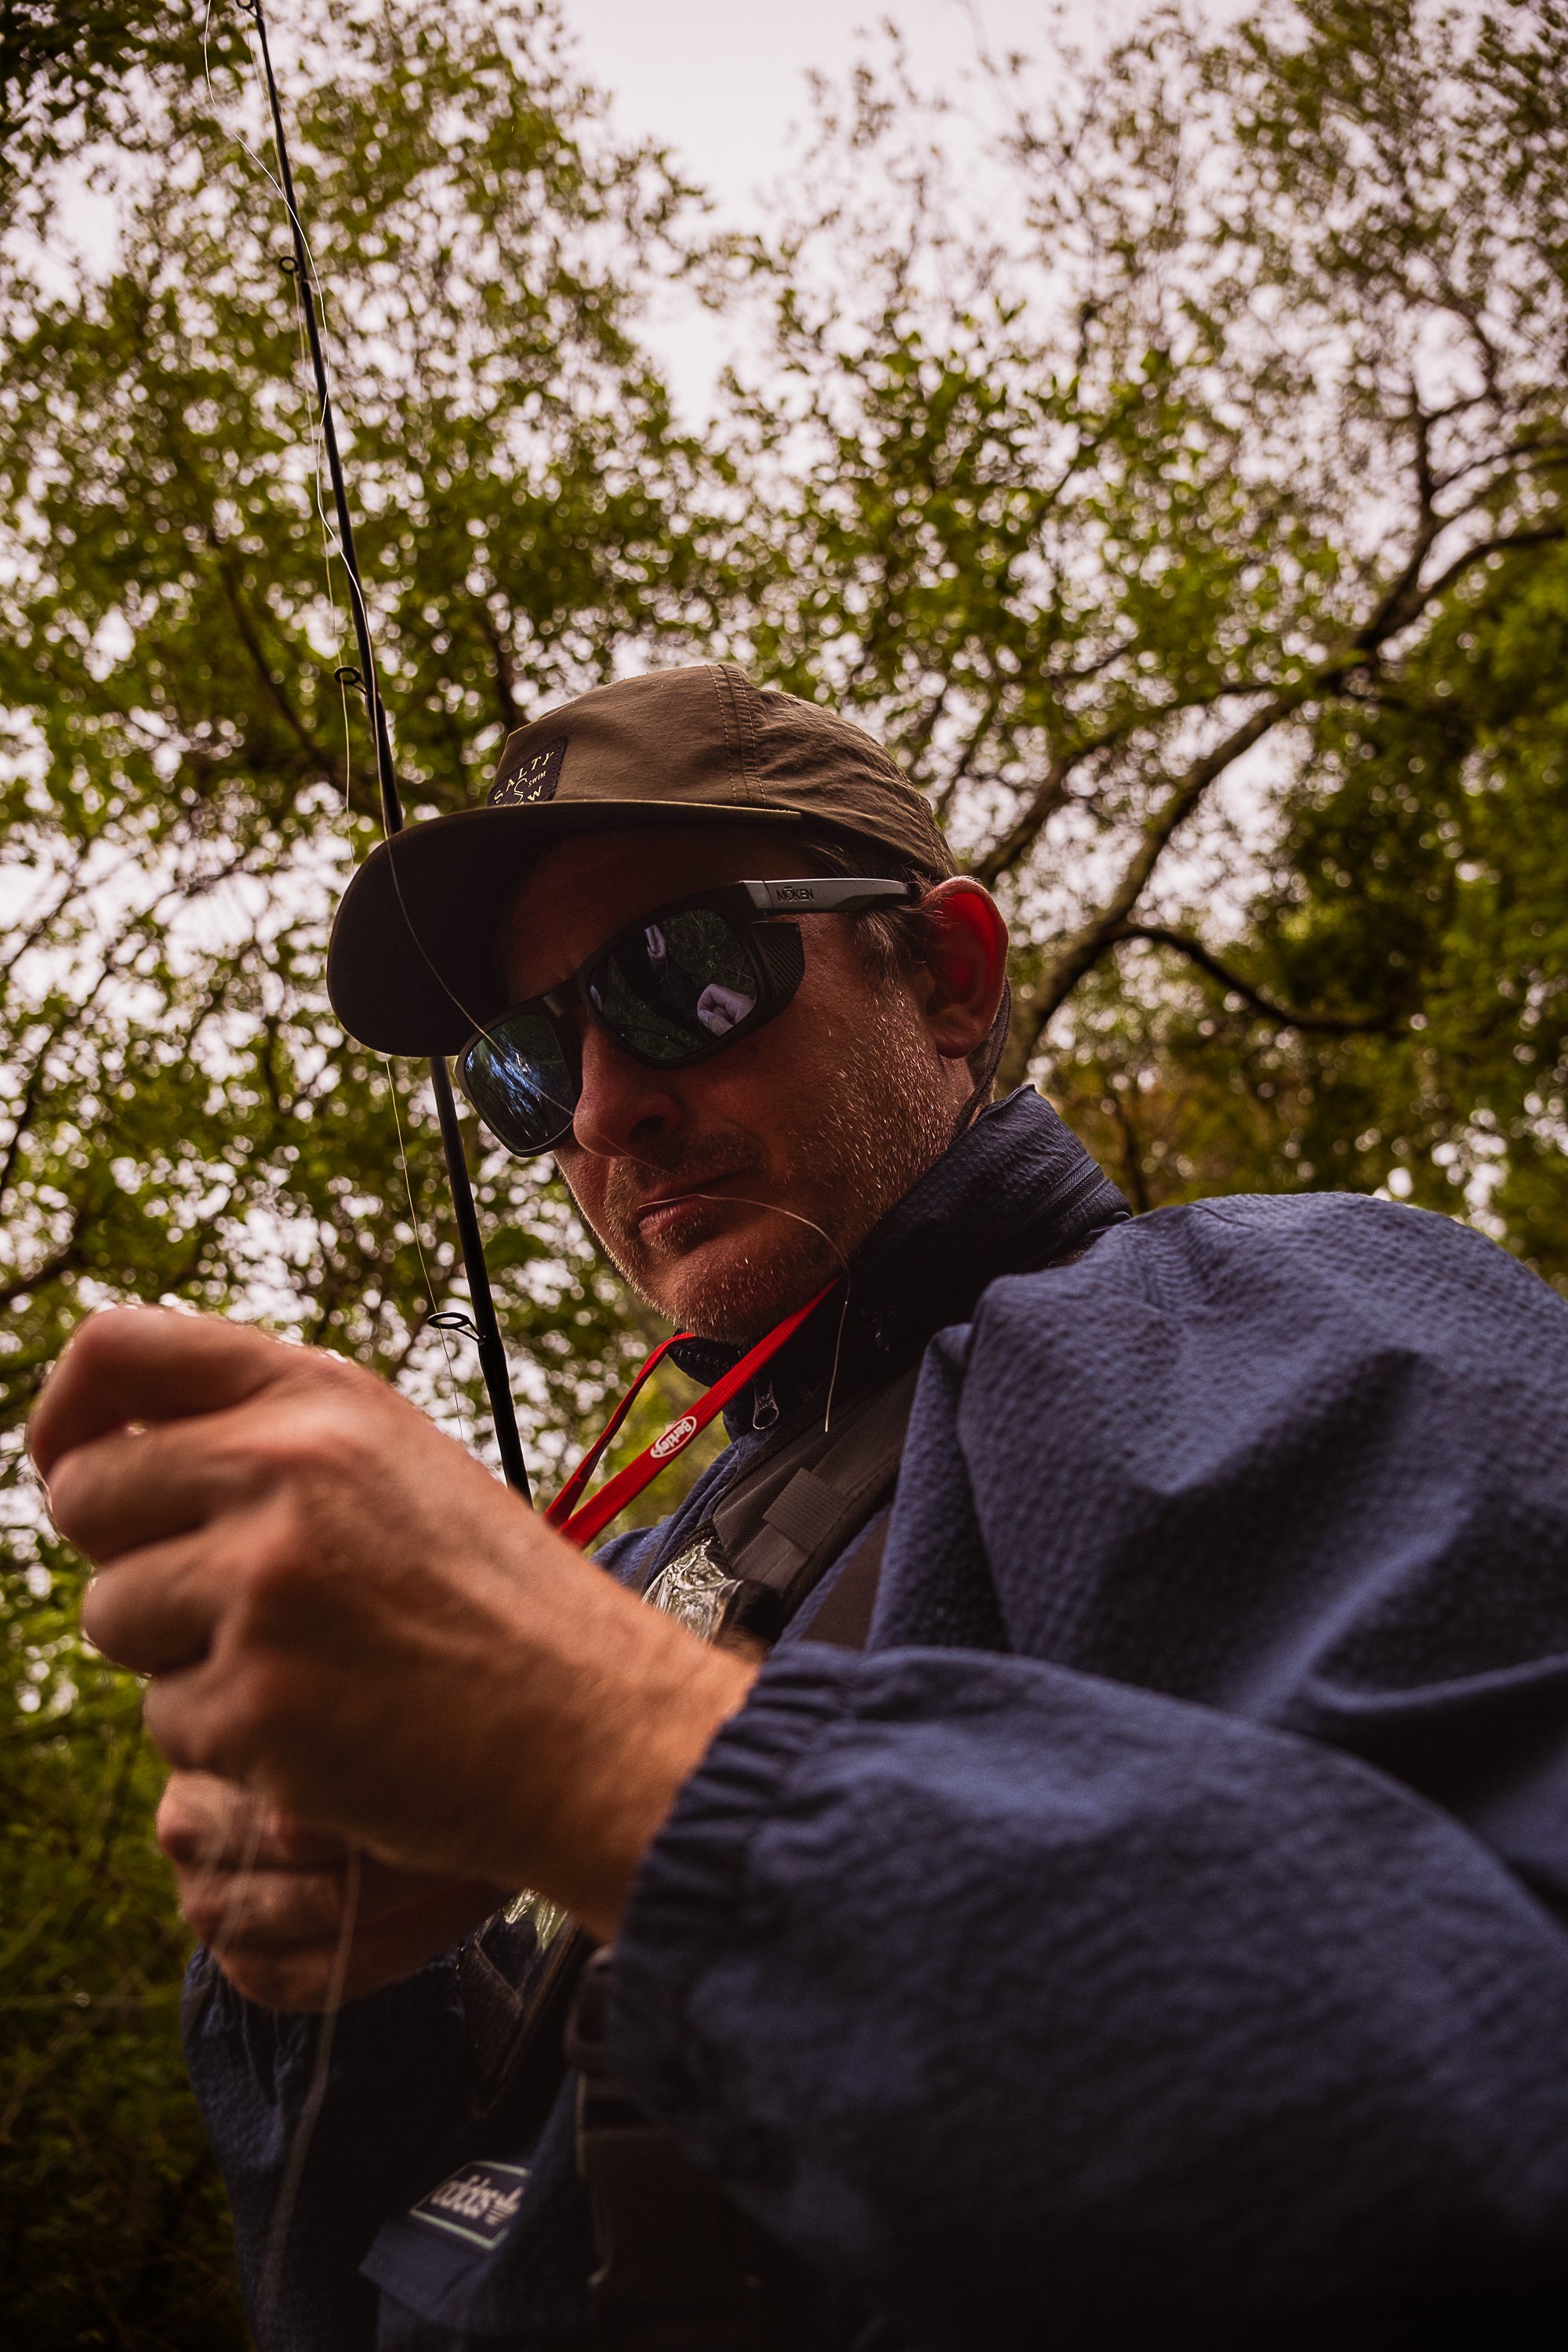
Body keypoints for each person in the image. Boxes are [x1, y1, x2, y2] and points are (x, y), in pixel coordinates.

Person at [28, 663, 1568, 2352]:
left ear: (951, 976)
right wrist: (313, 1967)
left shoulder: (1275, 1329)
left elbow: (1491, 2109)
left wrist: (605, 1750)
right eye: (530, 1067)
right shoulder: (631, 1572)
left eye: (685, 975)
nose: (606, 1110)